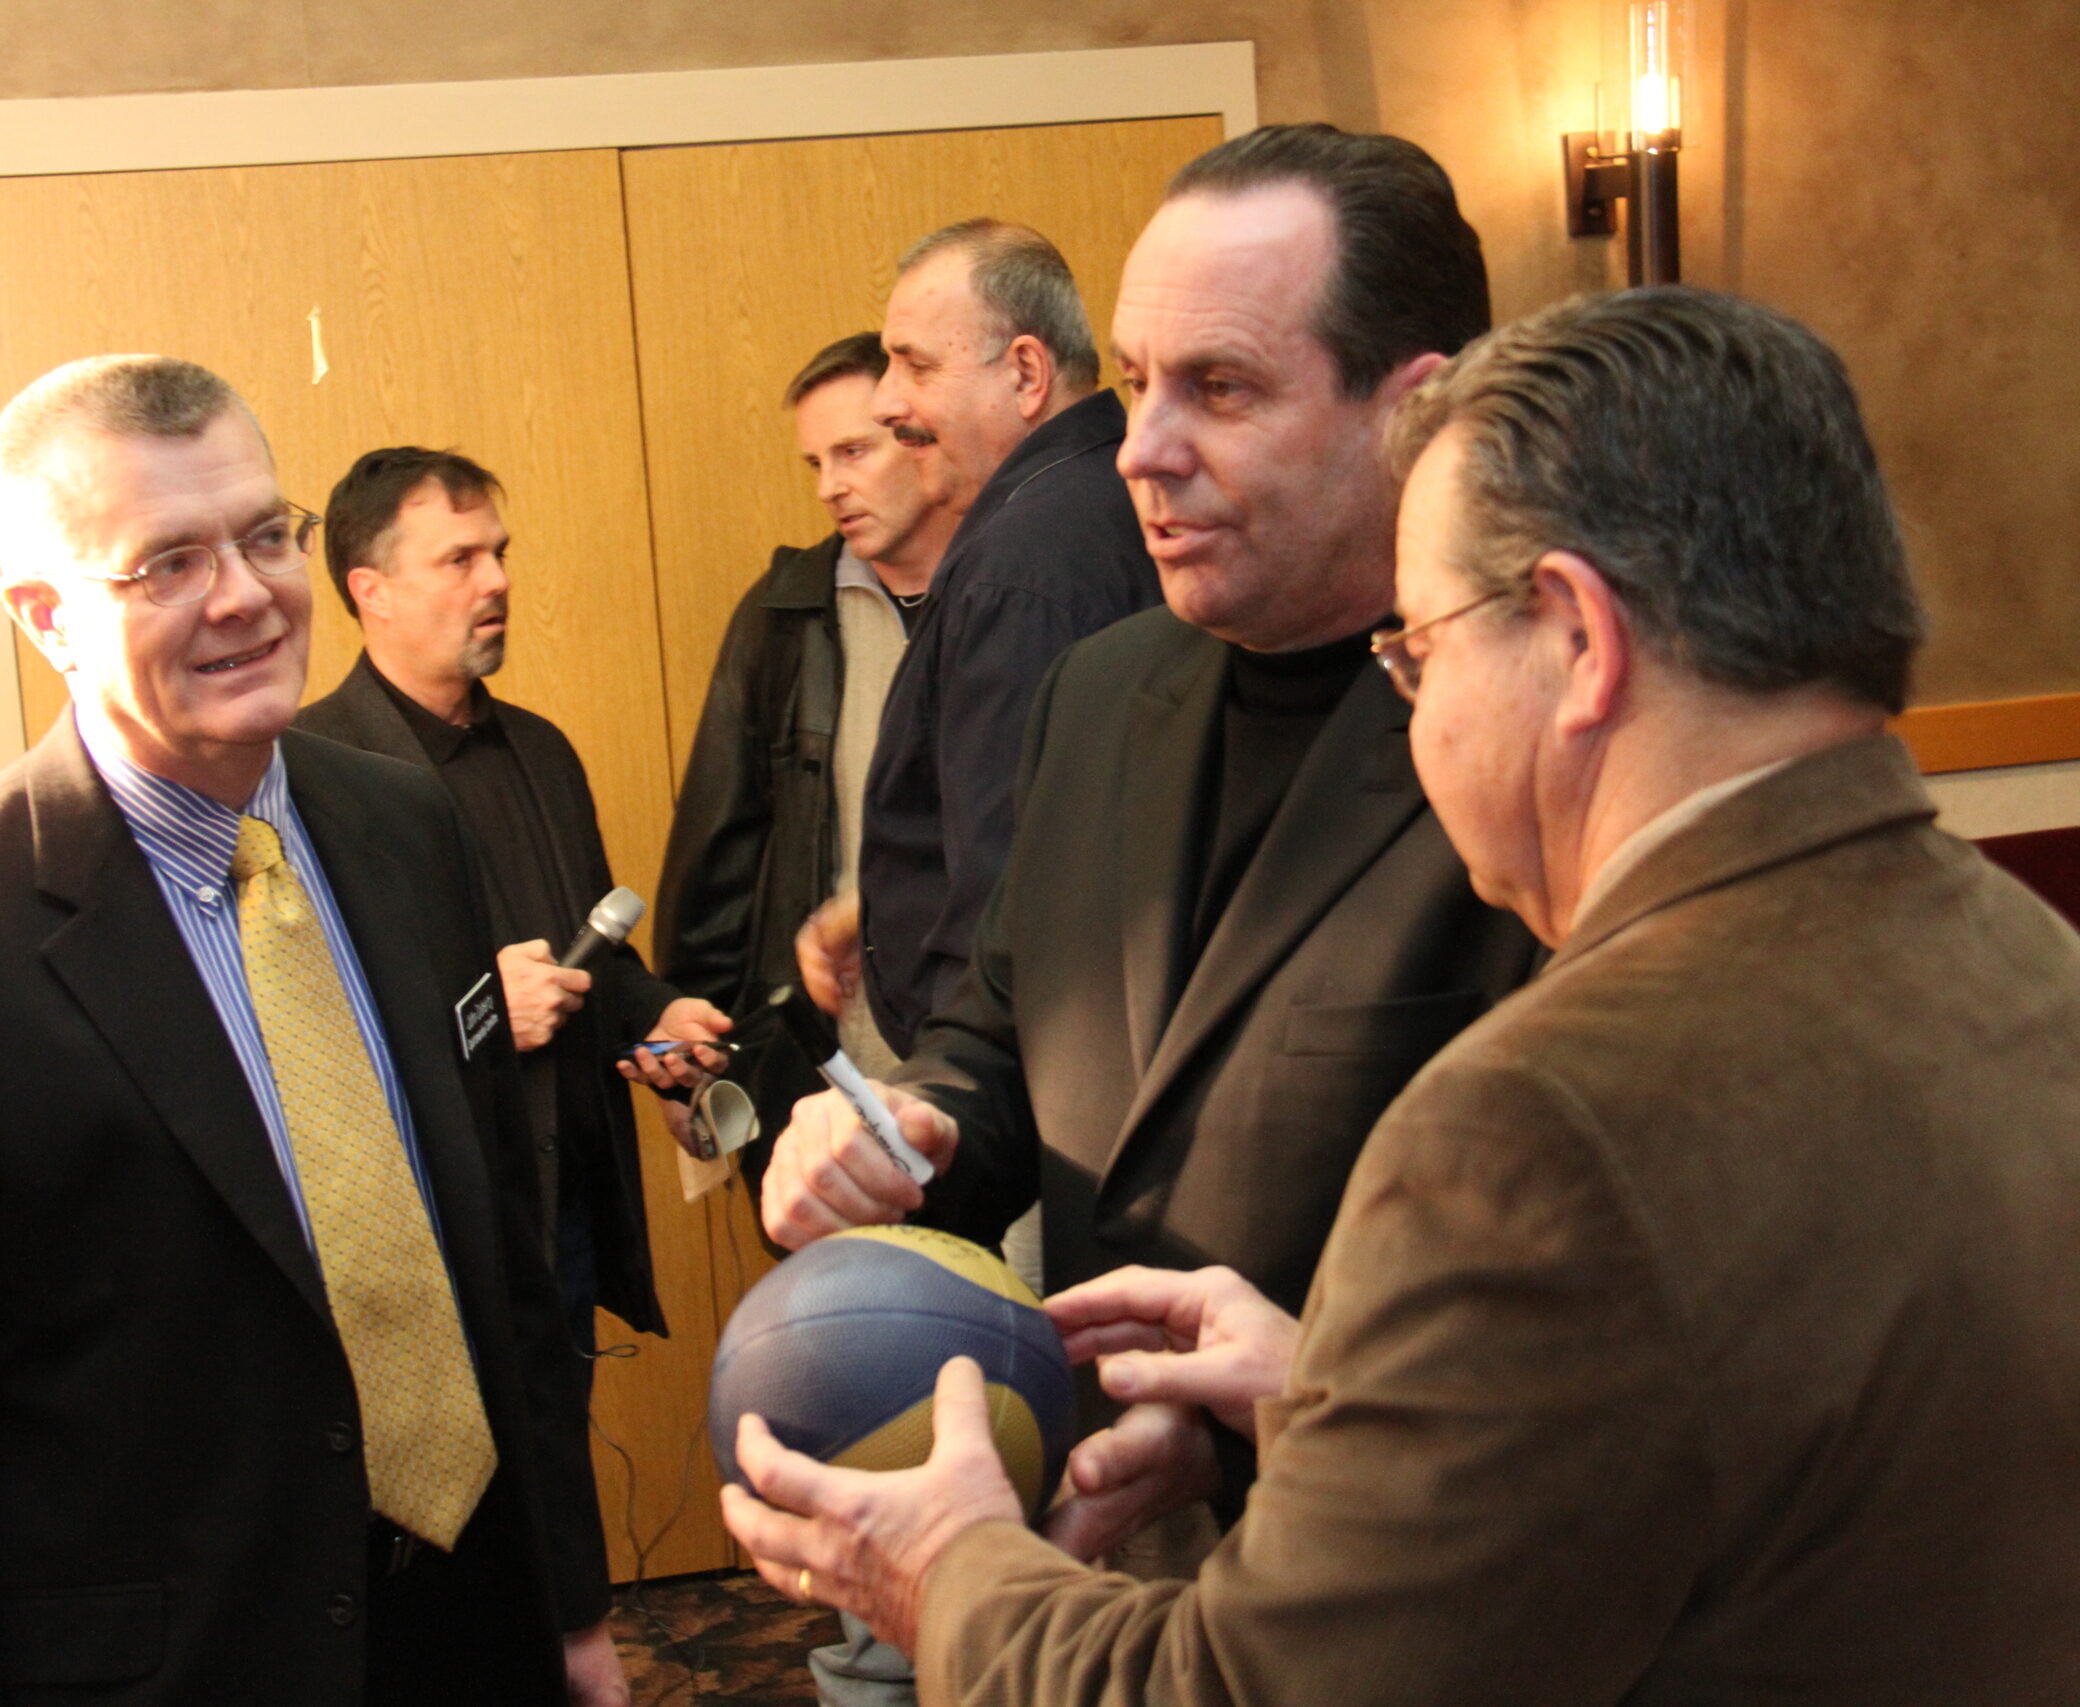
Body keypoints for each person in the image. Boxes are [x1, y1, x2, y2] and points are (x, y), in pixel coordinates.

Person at [726, 286, 2080, 1704]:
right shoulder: (2025, 956)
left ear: (1577, 639)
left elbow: (1250, 1690)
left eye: (1420, 651)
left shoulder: (1536, 1123)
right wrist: (1333, 1396)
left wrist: (946, 1570)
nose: (1413, 711)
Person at [0, 358, 621, 1706]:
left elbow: (498, 1257)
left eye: (264, 534)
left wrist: (569, 1607)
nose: (245, 594)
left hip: (472, 1630)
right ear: (46, 616)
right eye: (167, 562)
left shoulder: (406, 825)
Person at [764, 127, 1537, 1490]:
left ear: (1414, 414)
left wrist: (1322, 1399)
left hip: (1390, 1531)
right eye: (1134, 383)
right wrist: (914, 1129)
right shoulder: (1102, 693)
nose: (1140, 450)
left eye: (1219, 388)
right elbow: (1002, 1038)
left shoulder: (1531, 742)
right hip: (1104, 1528)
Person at [294, 446, 727, 1359]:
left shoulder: (541, 752)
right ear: (371, 590)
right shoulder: (304, 778)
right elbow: (300, 1040)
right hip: (423, 1247)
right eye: (459, 559)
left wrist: (656, 1018)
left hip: (560, 1225)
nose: (497, 580)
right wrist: (483, 1013)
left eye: (498, 553)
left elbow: (594, 961)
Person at [819, 219, 1161, 1058]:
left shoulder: (1020, 569)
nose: (886, 401)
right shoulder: (1109, 494)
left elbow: (1011, 898)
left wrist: (954, 1090)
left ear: (1026, 373)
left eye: (916, 365)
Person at [653, 332, 959, 1188]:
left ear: (921, 436)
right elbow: (716, 856)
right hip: (832, 1070)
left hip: (988, 1062)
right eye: (815, 463)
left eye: (853, 451)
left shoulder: (1008, 596)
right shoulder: (783, 618)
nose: (830, 486)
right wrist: (686, 1059)